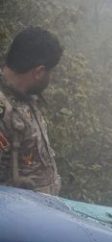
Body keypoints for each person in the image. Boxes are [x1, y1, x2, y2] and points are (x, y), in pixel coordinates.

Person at [0, 27, 63, 194]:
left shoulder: (26, 96)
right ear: (39, 72)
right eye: (50, 71)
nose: (51, 78)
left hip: (42, 206)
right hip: (16, 209)